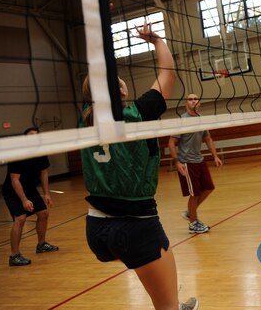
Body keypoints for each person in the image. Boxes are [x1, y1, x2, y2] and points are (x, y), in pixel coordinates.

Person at [79, 22, 197, 310]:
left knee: (161, 285)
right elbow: (167, 76)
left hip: (95, 227)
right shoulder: (137, 113)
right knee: (166, 304)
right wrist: (157, 41)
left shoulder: (84, 120)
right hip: (136, 225)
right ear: (120, 90)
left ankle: (170, 297)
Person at [2, 127, 59, 266]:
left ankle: (41, 244)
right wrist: (24, 200)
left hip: (30, 189)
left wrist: (46, 193)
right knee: (20, 219)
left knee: (43, 213)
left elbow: (44, 173)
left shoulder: (41, 153)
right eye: (31, 134)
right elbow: (14, 180)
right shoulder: (18, 154)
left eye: (37, 134)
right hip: (13, 190)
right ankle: (14, 256)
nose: (35, 136)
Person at [168, 94, 222, 234]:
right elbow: (171, 143)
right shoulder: (182, 120)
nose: (193, 101)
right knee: (195, 194)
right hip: (187, 162)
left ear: (199, 103)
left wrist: (215, 156)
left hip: (199, 160)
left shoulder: (201, 120)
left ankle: (189, 213)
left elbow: (208, 138)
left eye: (195, 99)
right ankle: (193, 223)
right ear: (186, 103)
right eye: (190, 99)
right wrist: (177, 162)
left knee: (209, 187)